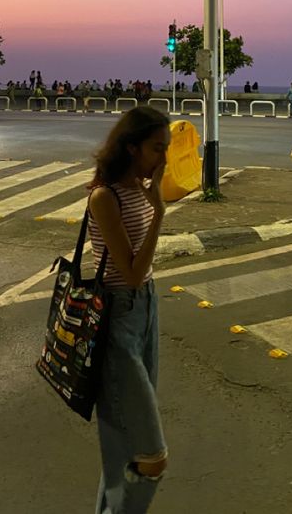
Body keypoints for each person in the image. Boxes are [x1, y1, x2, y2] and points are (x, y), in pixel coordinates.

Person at [87, 107, 170, 513]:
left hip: (147, 310)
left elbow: (145, 277)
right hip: (119, 315)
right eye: (158, 148)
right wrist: (160, 215)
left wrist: (153, 202)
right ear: (132, 147)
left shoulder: (140, 188)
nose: (164, 159)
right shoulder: (106, 197)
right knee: (152, 458)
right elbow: (132, 273)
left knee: (120, 446)